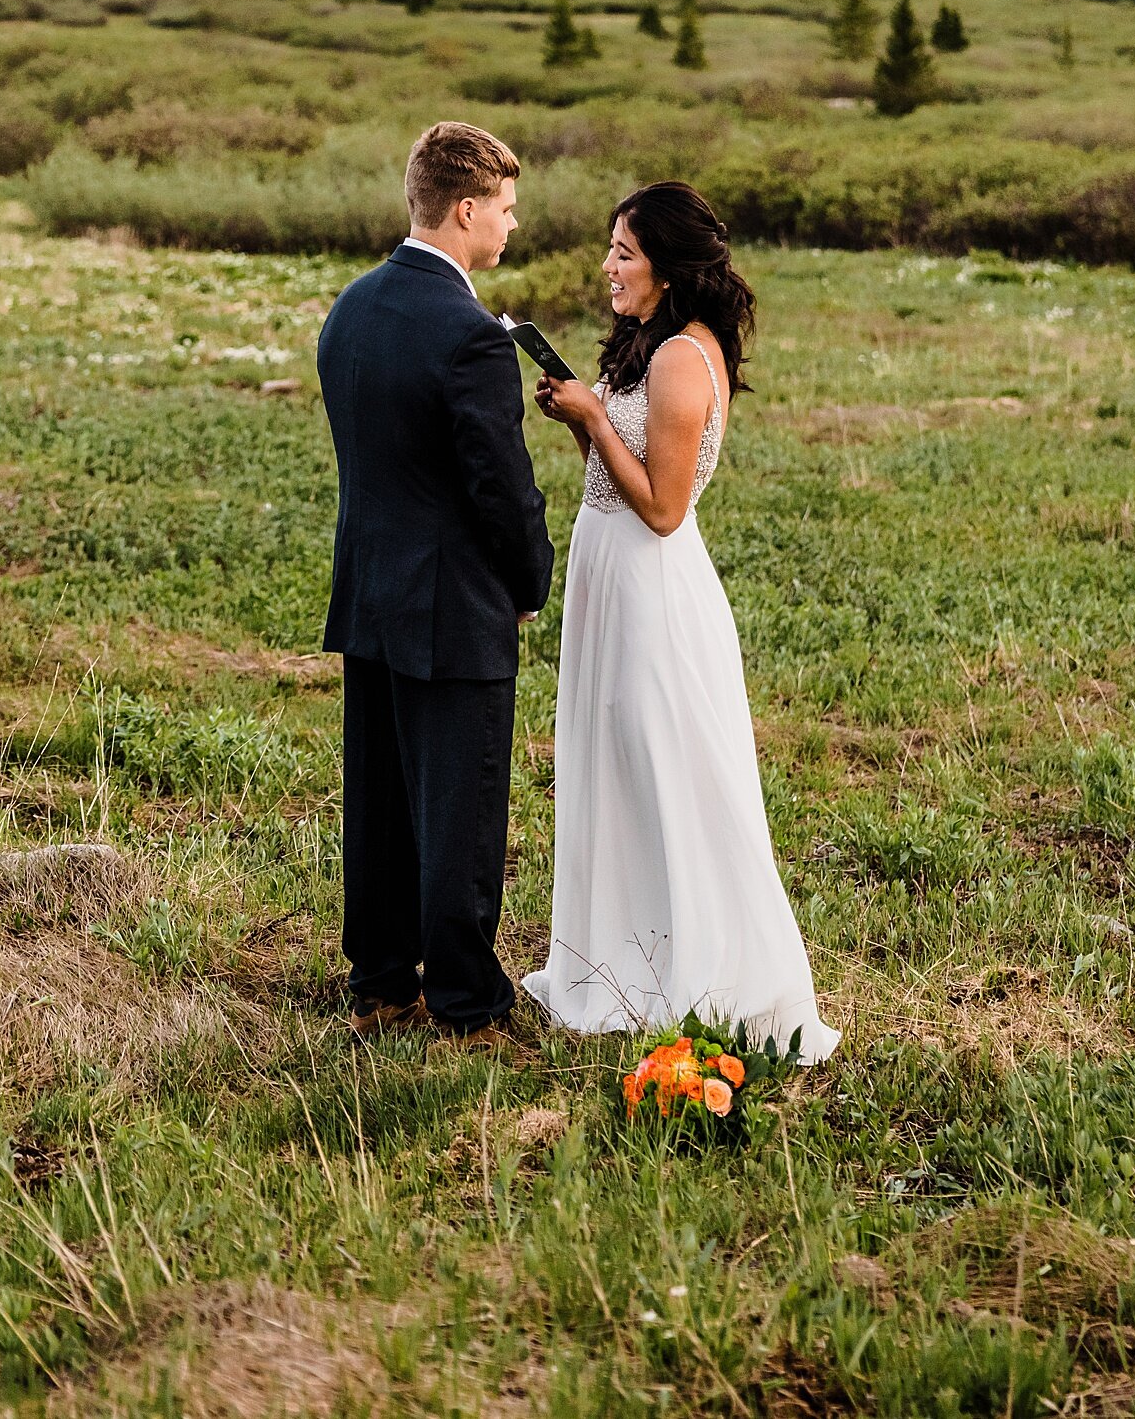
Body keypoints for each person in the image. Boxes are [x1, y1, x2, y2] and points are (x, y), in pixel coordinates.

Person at [523, 182, 839, 1058]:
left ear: (667, 268)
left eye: (624, 252)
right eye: (611, 250)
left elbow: (664, 507)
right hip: (610, 572)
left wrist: (592, 411)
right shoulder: (652, 348)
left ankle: (695, 966)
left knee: (664, 768)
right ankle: (621, 955)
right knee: (615, 765)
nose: (609, 267)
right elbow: (614, 472)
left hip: (649, 582)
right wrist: (584, 422)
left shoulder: (678, 361)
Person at [319, 121, 554, 1037]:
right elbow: (501, 488)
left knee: (378, 795)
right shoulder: (471, 338)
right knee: (461, 806)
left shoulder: (353, 306)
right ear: (466, 210)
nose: (512, 224)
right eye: (504, 207)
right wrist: (529, 578)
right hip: (454, 603)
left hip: (371, 588)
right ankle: (464, 998)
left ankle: (380, 977)